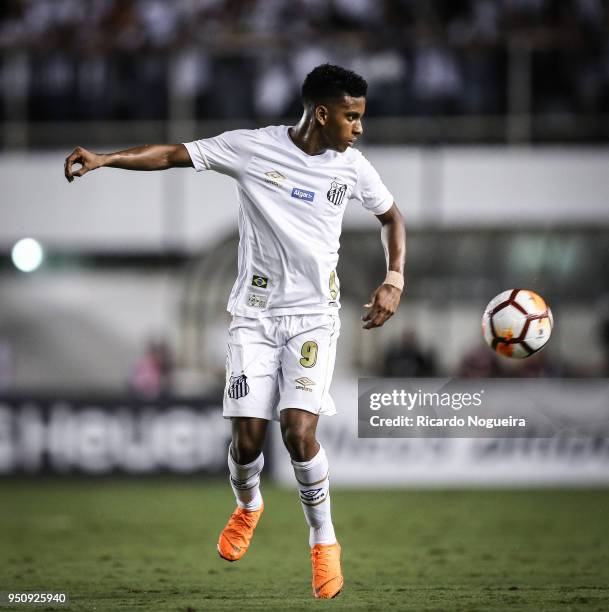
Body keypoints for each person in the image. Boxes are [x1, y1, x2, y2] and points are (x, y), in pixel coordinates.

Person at [64, 63, 406, 600]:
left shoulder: (354, 168)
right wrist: (105, 159)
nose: (359, 127)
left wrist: (394, 277)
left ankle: (324, 541)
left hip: (315, 316)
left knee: (298, 431)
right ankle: (249, 506)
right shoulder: (252, 148)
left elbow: (391, 218)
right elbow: (175, 154)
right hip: (254, 315)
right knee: (246, 441)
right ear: (322, 113)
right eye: (351, 116)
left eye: (360, 116)